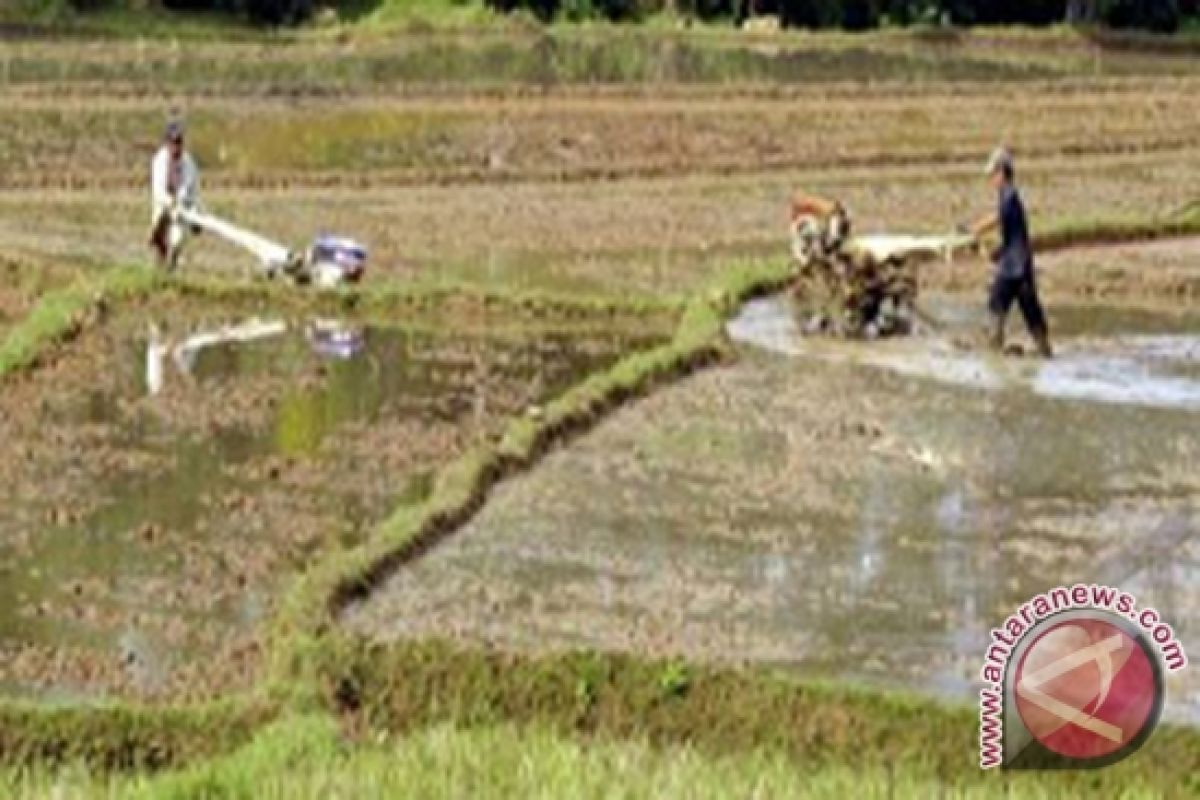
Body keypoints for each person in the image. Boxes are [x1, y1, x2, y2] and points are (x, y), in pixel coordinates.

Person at [969, 148, 1053, 358]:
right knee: (1032, 315)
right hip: (1023, 266)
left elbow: (998, 218)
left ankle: (994, 357)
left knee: (995, 309)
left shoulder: (1009, 196)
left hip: (1011, 268)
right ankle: (1045, 353)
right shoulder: (1009, 195)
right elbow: (1008, 229)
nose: (991, 179)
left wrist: (975, 231)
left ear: (1002, 172)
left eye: (993, 174)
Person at [148, 119, 200, 269]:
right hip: (163, 204)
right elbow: (158, 191)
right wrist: (170, 202)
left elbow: (193, 190)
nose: (176, 147)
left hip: (182, 206)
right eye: (173, 142)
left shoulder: (189, 163)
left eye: (178, 142)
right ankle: (160, 264)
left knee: (177, 240)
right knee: (160, 238)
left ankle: (172, 266)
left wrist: (195, 213)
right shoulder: (159, 161)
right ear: (167, 143)